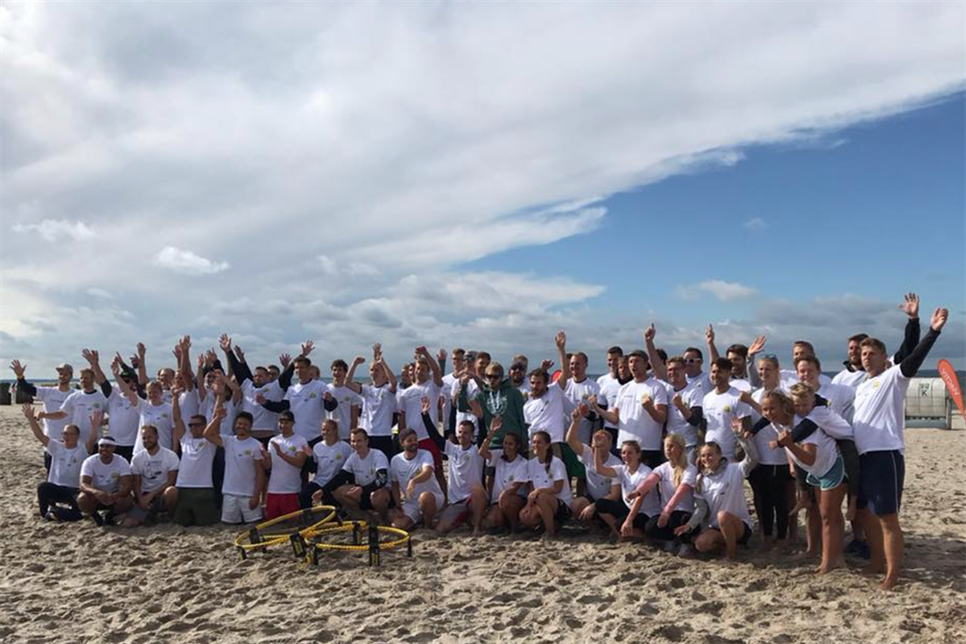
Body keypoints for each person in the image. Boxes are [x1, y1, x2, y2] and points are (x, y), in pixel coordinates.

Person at [852, 306, 946, 590]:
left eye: (872, 354)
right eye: (863, 354)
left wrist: (929, 329)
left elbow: (913, 354)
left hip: (885, 454)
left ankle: (892, 573)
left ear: (885, 358)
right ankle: (876, 561)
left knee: (887, 517)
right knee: (865, 513)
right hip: (863, 456)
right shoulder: (863, 385)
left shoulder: (894, 377)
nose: (866, 358)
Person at [776, 384, 850, 574]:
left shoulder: (813, 422)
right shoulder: (792, 422)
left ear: (812, 401)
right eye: (797, 405)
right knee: (826, 514)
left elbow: (808, 456)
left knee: (828, 516)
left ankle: (828, 561)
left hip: (832, 466)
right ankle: (832, 555)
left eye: (805, 404)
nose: (801, 408)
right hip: (817, 471)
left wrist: (788, 444)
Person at [674, 421, 759, 559]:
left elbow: (753, 458)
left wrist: (740, 436)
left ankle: (731, 554)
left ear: (719, 455)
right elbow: (701, 509)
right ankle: (729, 545)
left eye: (710, 455)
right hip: (716, 527)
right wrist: (689, 526)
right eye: (703, 456)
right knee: (701, 544)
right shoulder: (700, 479)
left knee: (723, 516)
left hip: (740, 526)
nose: (706, 459)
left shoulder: (734, 469)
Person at [590, 349, 668, 468]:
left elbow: (662, 417)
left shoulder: (657, 387)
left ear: (646, 364)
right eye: (631, 362)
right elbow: (615, 418)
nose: (633, 365)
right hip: (624, 446)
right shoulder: (623, 389)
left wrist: (649, 409)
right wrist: (596, 408)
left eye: (637, 361)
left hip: (647, 447)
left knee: (648, 485)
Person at [421, 398, 488, 535]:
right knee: (440, 530)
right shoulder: (452, 449)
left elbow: (483, 436)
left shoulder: (476, 450)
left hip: (473, 499)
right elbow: (435, 437)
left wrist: (480, 418)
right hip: (456, 501)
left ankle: (477, 527)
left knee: (477, 489)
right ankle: (466, 520)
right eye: (460, 432)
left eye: (466, 433)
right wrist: (425, 416)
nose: (462, 435)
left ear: (471, 435)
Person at [745, 365, 795, 546]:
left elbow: (789, 434)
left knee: (780, 501)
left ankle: (782, 537)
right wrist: (750, 432)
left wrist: (778, 443)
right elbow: (764, 419)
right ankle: (767, 535)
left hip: (779, 462)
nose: (768, 412)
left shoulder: (786, 414)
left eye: (772, 409)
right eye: (765, 409)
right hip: (763, 460)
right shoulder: (762, 400)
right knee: (764, 499)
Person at [23, 403, 96, 521]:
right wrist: (31, 419)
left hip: (74, 489)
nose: (65, 436)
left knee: (79, 513)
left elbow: (92, 439)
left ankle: (58, 514)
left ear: (77, 436)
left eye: (69, 433)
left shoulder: (82, 449)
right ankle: (45, 514)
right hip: (57, 487)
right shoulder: (56, 446)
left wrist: (94, 425)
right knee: (42, 486)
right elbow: (40, 436)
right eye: (64, 433)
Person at [258, 343, 338, 444]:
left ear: (309, 369)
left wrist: (330, 399)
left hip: (316, 437)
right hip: (296, 438)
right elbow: (281, 407)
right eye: (296, 368)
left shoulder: (320, 386)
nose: (298, 370)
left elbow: (331, 407)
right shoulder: (292, 389)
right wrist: (265, 402)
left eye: (301, 367)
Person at [395, 346, 447, 493]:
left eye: (424, 369)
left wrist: (425, 353)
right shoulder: (405, 393)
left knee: (437, 471)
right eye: (418, 368)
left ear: (427, 371)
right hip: (412, 438)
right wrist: (402, 437)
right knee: (416, 472)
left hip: (430, 436)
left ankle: (444, 501)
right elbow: (402, 417)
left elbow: (437, 371)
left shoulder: (433, 387)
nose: (420, 371)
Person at [636, 433, 698, 553]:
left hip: (683, 511)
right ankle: (671, 540)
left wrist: (666, 512)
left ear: (680, 448)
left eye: (671, 446)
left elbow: (680, 492)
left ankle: (685, 542)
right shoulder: (663, 468)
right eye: (666, 446)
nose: (668, 450)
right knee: (650, 527)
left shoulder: (690, 469)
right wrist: (638, 491)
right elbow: (650, 480)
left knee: (676, 519)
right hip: (668, 511)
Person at [40, 351, 111, 455]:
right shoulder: (75, 396)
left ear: (93, 379)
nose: (83, 380)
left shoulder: (101, 397)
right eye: (81, 378)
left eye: (86, 378)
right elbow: (61, 414)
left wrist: (102, 422)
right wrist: (44, 415)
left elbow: (113, 415)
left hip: (95, 441)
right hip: (77, 442)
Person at [203, 409, 266, 524]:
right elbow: (207, 434)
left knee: (254, 524)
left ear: (250, 426)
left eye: (245, 424)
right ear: (235, 424)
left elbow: (260, 473)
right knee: (229, 526)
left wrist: (256, 496)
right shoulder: (228, 440)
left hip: (248, 494)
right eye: (239, 423)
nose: (242, 426)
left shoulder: (256, 445)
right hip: (229, 493)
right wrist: (218, 418)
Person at [10, 360, 76, 470]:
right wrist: (20, 376)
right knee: (50, 472)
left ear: (71, 376)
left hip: (70, 441)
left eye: (65, 374)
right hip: (50, 440)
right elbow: (27, 388)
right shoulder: (48, 392)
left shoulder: (75, 394)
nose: (62, 376)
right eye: (60, 374)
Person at [221, 334, 284, 441]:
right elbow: (238, 370)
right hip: (248, 435)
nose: (257, 378)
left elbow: (285, 378)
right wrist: (228, 351)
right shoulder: (247, 386)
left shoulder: (274, 388)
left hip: (267, 436)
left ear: (268, 377)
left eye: (260, 376)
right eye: (255, 376)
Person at [565, 406, 621, 527]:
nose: (599, 444)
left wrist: (594, 505)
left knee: (602, 506)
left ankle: (614, 531)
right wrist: (575, 422)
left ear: (610, 444)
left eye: (603, 442)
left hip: (608, 502)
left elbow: (615, 495)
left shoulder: (616, 463)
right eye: (596, 441)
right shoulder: (588, 452)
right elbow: (570, 440)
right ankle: (590, 526)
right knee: (576, 504)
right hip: (591, 497)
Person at [592, 440, 658, 540]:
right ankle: (622, 534)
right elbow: (600, 469)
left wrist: (629, 520)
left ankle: (644, 537)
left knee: (620, 524)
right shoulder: (623, 469)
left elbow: (639, 499)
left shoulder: (645, 472)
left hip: (646, 512)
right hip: (629, 507)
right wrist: (596, 448)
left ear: (638, 455)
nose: (626, 455)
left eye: (630, 453)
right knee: (600, 504)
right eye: (623, 453)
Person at [458, 361, 527, 450]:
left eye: (495, 377)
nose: (492, 380)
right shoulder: (482, 396)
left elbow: (522, 418)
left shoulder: (514, 393)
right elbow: (462, 407)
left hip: (513, 442)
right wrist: (463, 386)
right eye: (489, 376)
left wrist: (524, 441)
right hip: (493, 443)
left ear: (501, 378)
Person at [344, 343, 398, 456]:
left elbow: (393, 383)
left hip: (383, 435)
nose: (374, 372)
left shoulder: (387, 390)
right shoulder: (366, 390)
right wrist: (354, 364)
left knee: (384, 466)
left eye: (377, 370)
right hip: (367, 434)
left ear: (384, 373)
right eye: (372, 370)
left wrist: (383, 363)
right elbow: (347, 383)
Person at [171, 401, 219, 527]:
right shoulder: (185, 440)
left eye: (197, 425)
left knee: (205, 523)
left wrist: (219, 396)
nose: (193, 428)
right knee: (181, 522)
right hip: (183, 488)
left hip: (203, 489)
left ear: (205, 426)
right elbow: (176, 419)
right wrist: (175, 397)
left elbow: (216, 418)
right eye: (191, 425)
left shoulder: (210, 441)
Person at [123, 425, 180, 527]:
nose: (147, 440)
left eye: (150, 437)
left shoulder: (170, 456)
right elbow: (136, 483)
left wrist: (152, 494)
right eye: (144, 438)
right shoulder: (137, 458)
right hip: (145, 495)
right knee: (128, 524)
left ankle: (170, 515)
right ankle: (150, 516)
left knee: (172, 491)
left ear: (157, 437)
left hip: (162, 494)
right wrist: (141, 500)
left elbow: (171, 481)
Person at [519, 430, 573, 538]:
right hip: (541, 501)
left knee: (542, 497)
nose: (535, 445)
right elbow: (531, 487)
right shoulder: (531, 464)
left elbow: (558, 488)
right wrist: (528, 505)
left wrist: (539, 491)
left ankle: (550, 532)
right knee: (525, 516)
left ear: (547, 445)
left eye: (539, 442)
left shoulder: (556, 463)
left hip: (561, 503)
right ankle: (546, 526)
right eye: (534, 442)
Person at [389, 428, 445, 530]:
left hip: (432, 497)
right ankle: (417, 519)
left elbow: (427, 472)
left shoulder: (425, 454)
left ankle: (428, 524)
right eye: (409, 441)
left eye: (415, 439)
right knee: (397, 524)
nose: (414, 443)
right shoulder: (395, 460)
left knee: (425, 497)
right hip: (412, 502)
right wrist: (398, 505)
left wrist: (413, 481)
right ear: (402, 443)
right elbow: (394, 484)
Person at [479, 421, 529, 533]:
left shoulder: (522, 463)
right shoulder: (499, 455)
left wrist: (504, 495)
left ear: (517, 446)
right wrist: (491, 433)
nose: (507, 446)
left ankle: (514, 528)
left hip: (515, 498)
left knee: (508, 501)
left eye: (510, 444)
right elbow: (482, 452)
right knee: (492, 519)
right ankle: (504, 525)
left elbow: (515, 487)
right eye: (505, 443)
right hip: (498, 501)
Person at [333, 427, 392, 521]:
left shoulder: (378, 455)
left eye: (359, 441)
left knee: (378, 496)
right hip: (362, 492)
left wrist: (363, 490)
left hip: (379, 492)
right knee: (338, 492)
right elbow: (341, 477)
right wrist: (323, 490)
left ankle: (384, 520)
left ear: (366, 441)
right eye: (353, 441)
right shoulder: (353, 457)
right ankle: (365, 516)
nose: (356, 444)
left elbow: (382, 480)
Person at [700, 357, 752, 461]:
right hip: (709, 458)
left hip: (730, 457)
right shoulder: (707, 398)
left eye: (720, 372)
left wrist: (738, 456)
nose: (715, 375)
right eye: (713, 372)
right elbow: (704, 428)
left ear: (729, 373)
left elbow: (745, 426)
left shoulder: (738, 396)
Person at [263, 410, 310, 520]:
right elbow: (268, 466)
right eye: (280, 422)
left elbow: (299, 463)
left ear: (293, 423)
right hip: (273, 490)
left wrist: (281, 454)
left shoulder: (301, 440)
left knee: (293, 521)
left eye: (286, 422)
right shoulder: (273, 440)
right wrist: (264, 457)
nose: (283, 425)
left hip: (291, 490)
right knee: (272, 522)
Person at [77, 436, 134, 525]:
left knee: (128, 500)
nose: (104, 449)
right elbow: (83, 484)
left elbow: (127, 485)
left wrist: (115, 495)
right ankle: (95, 515)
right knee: (82, 499)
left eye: (108, 446)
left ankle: (110, 516)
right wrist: (96, 492)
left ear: (114, 448)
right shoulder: (90, 461)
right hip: (95, 494)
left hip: (114, 494)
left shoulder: (121, 461)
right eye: (101, 446)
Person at [301, 419, 352, 509]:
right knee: (304, 495)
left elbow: (350, 468)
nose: (325, 432)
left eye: (328, 430)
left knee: (330, 504)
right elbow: (313, 469)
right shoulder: (317, 447)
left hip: (335, 483)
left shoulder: (345, 447)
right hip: (319, 481)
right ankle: (309, 518)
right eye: (323, 430)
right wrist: (309, 457)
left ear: (335, 431)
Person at [662, 355, 704, 464]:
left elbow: (695, 421)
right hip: (670, 446)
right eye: (670, 369)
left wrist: (680, 406)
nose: (673, 372)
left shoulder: (695, 391)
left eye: (677, 369)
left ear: (685, 370)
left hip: (688, 445)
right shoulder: (667, 391)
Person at [326, 359, 363, 440]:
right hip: (329, 433)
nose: (336, 373)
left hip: (345, 434)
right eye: (334, 370)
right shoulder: (326, 389)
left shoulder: (351, 391)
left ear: (345, 372)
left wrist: (352, 434)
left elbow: (354, 417)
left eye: (340, 370)